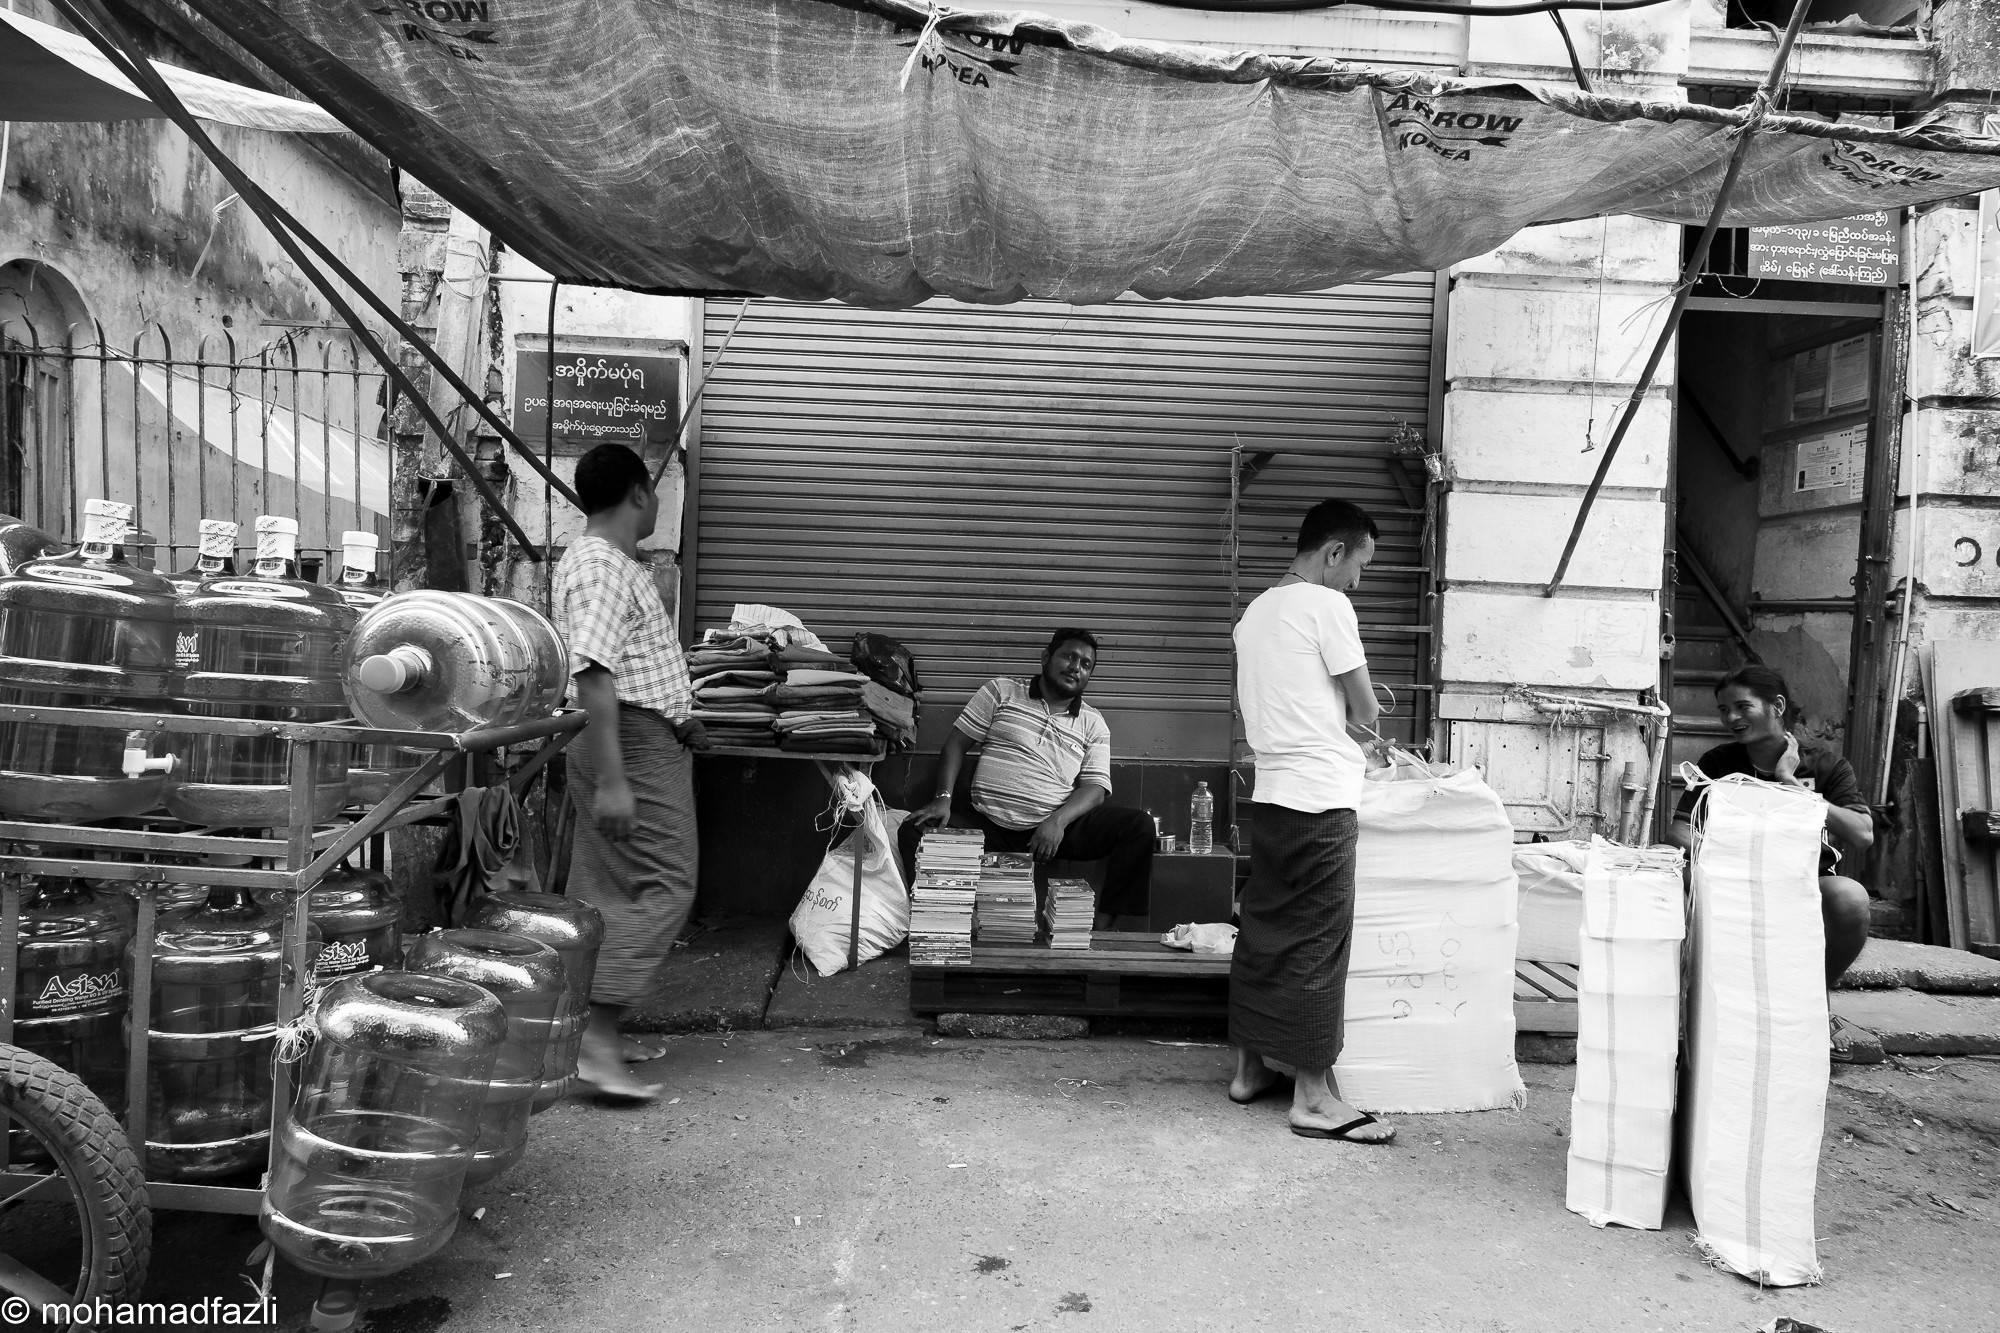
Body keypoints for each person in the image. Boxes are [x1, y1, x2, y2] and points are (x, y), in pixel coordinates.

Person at [1228, 499, 1395, 1144]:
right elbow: (1365, 707)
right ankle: (1314, 1098)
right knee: (1320, 940)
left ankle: (1249, 1069)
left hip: (1268, 793)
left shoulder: (1255, 614)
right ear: (1334, 553)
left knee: (1265, 927)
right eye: (1360, 565)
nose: (1359, 580)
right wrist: (1365, 728)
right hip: (1321, 798)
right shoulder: (1328, 606)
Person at [551, 443, 709, 1103]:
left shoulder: (607, 562)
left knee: (608, 884)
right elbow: (593, 670)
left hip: (640, 735)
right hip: (628, 743)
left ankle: (593, 1032)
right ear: (641, 493)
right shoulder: (601, 563)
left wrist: (684, 714)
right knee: (668, 879)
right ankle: (595, 1041)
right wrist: (616, 777)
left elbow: (623, 660)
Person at [1665, 664, 1873, 1057]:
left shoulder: (1826, 766)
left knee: (1851, 898)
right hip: (1731, 878)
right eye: (1724, 709)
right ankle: (1694, 1010)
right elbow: (1678, 832)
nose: (1731, 718)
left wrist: (1791, 784)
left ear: (1776, 706)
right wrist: (1726, 861)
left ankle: (1814, 1003)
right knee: (1677, 877)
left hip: (1804, 881)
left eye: (1742, 706)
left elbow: (1862, 833)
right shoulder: (1718, 763)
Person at [901, 628, 1154, 927]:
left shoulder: (1092, 722)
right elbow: (956, 744)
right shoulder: (1001, 692)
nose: (1076, 667)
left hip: (1052, 831)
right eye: (1069, 656)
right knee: (913, 830)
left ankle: (1103, 929)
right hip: (988, 823)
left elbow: (1096, 788)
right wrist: (943, 798)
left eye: (1086, 664)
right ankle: (946, 923)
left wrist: (1057, 821)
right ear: (1046, 657)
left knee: (1139, 827)